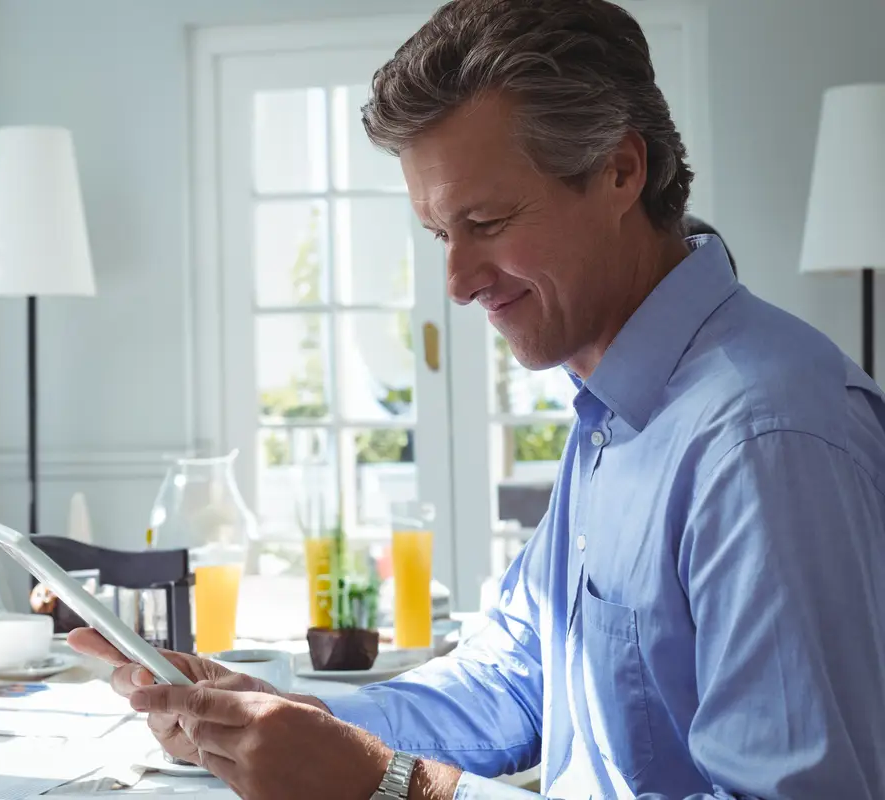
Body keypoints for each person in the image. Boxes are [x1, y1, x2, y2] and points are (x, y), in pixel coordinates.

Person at [71, 0, 885, 797]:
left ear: (620, 171)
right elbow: (514, 678)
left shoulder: (765, 445)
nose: (457, 283)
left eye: (488, 221)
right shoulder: (617, 411)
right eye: (439, 234)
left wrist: (394, 787)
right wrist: (285, 722)